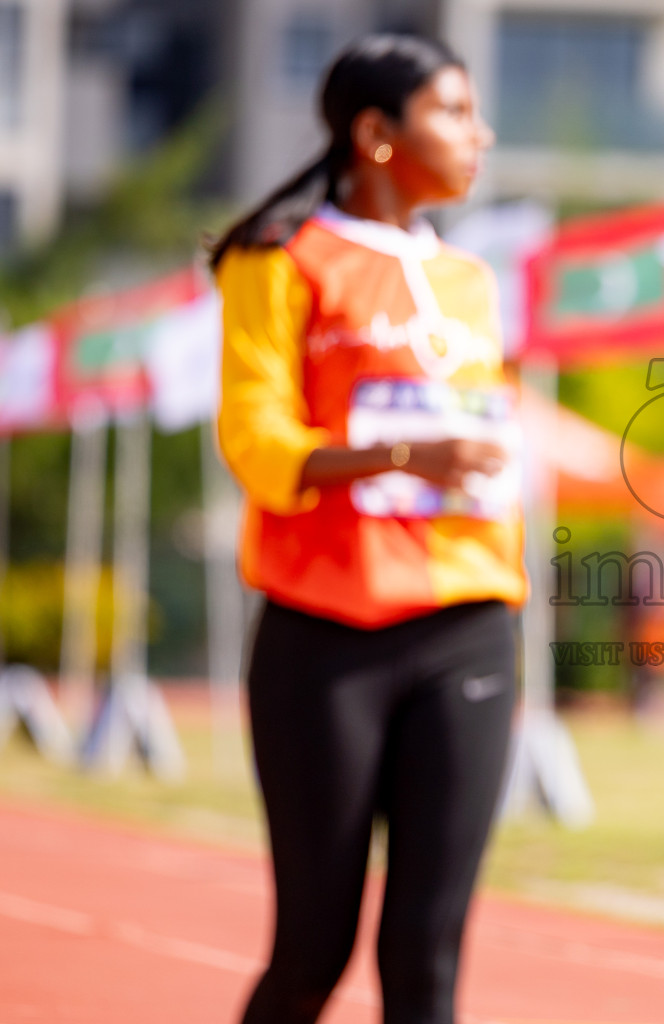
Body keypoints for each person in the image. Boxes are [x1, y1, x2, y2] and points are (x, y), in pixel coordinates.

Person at [210, 35, 518, 1024]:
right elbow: (257, 443)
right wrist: (398, 457)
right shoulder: (278, 258)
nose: (482, 134)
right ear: (377, 133)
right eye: (456, 112)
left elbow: (494, 436)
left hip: (468, 622)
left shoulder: (472, 278)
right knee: (313, 948)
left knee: (426, 949)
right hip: (322, 632)